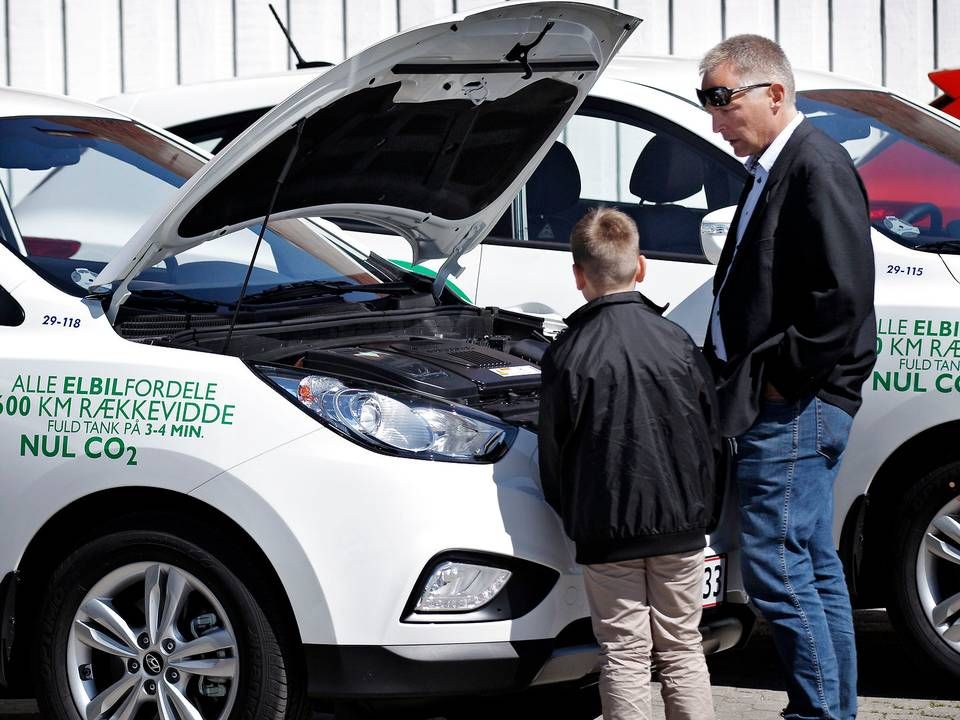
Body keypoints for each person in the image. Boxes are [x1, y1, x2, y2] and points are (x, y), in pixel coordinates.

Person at [698, 35, 877, 720]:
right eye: (708, 102)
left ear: (774, 92)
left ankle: (819, 713)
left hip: (795, 404)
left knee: (778, 566)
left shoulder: (813, 165)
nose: (716, 119)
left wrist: (780, 381)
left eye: (723, 100)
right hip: (792, 400)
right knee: (809, 562)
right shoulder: (782, 165)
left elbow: (843, 298)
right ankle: (831, 711)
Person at [538, 207, 720, 720]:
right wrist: (704, 513)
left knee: (624, 653)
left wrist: (572, 514)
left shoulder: (568, 353)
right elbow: (712, 436)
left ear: (578, 277)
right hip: (683, 523)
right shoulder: (678, 342)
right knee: (683, 648)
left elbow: (553, 455)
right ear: (641, 266)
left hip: (607, 528)